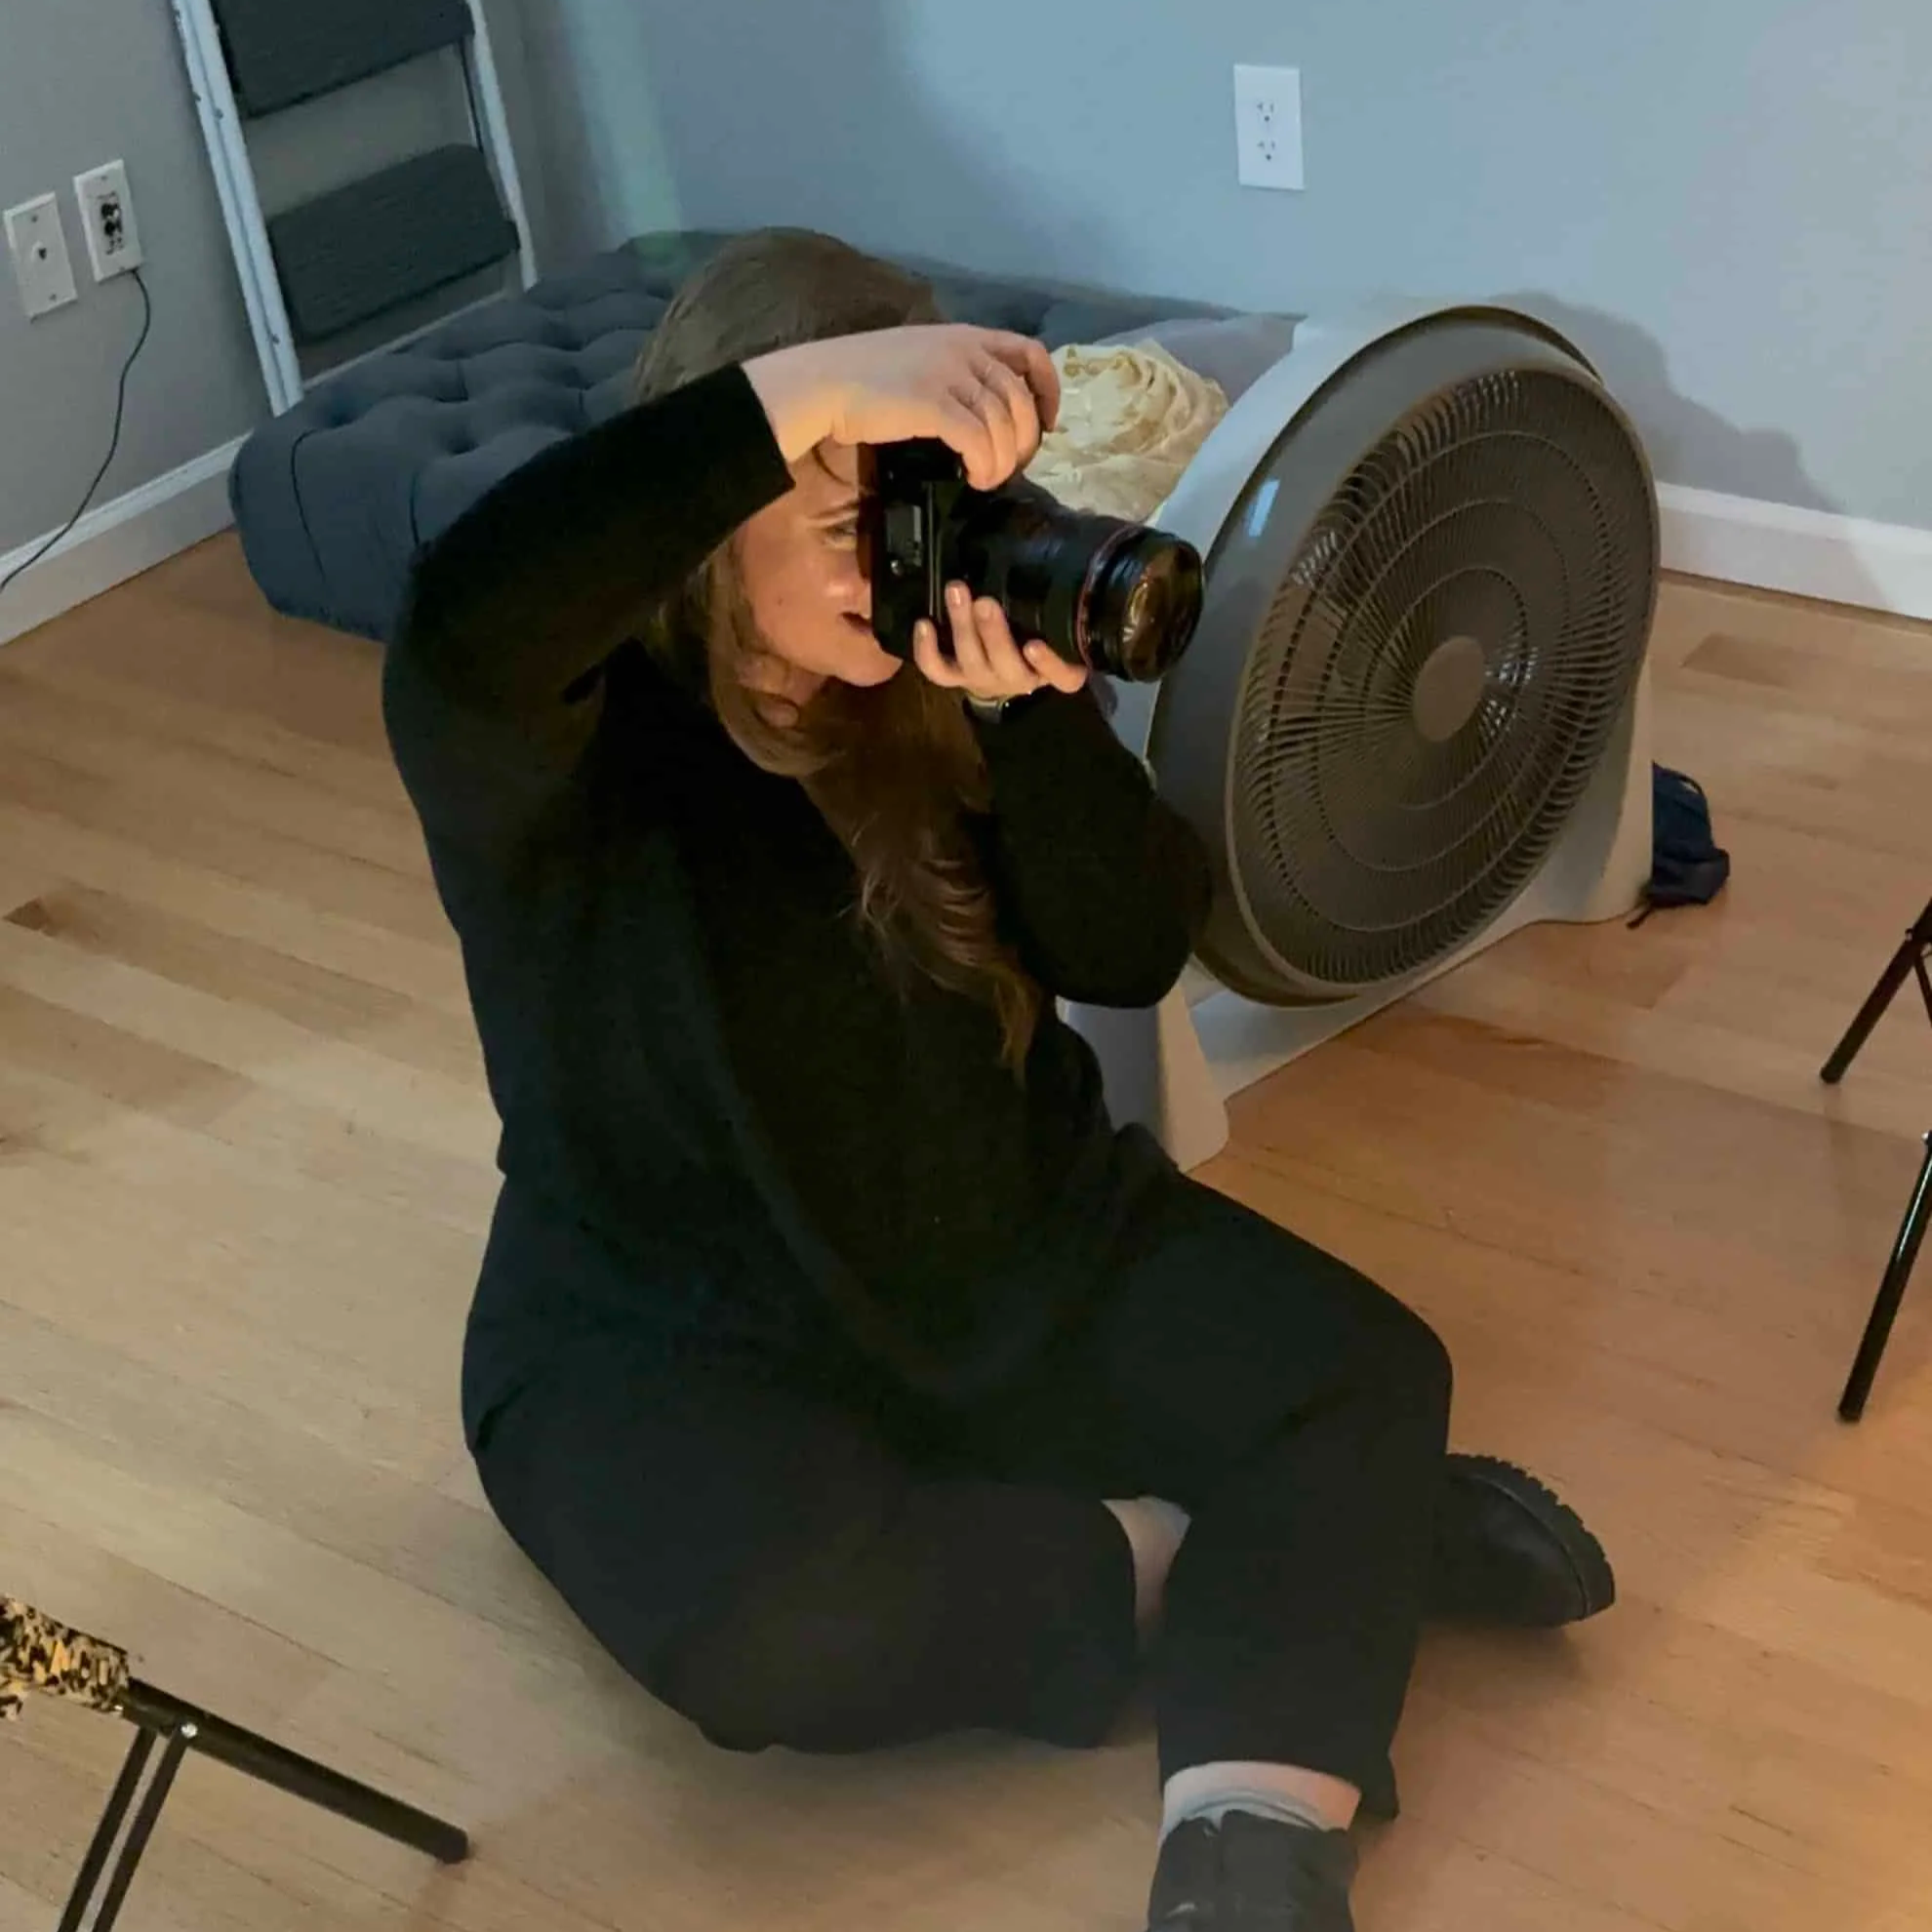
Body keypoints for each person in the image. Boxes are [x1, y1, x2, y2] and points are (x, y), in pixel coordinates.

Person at [384, 229, 1615, 1932]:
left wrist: (1036, 722)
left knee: (1372, 1380)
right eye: (844, 514)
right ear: (706, 509)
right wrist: (807, 395)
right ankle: (1241, 1548)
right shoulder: (562, 735)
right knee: (762, 1638)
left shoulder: (935, 689)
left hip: (1009, 1259)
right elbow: (466, 616)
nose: (899, 562)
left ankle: (1251, 1838)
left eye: (924, 510)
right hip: (666, 1332)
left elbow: (1127, 944)